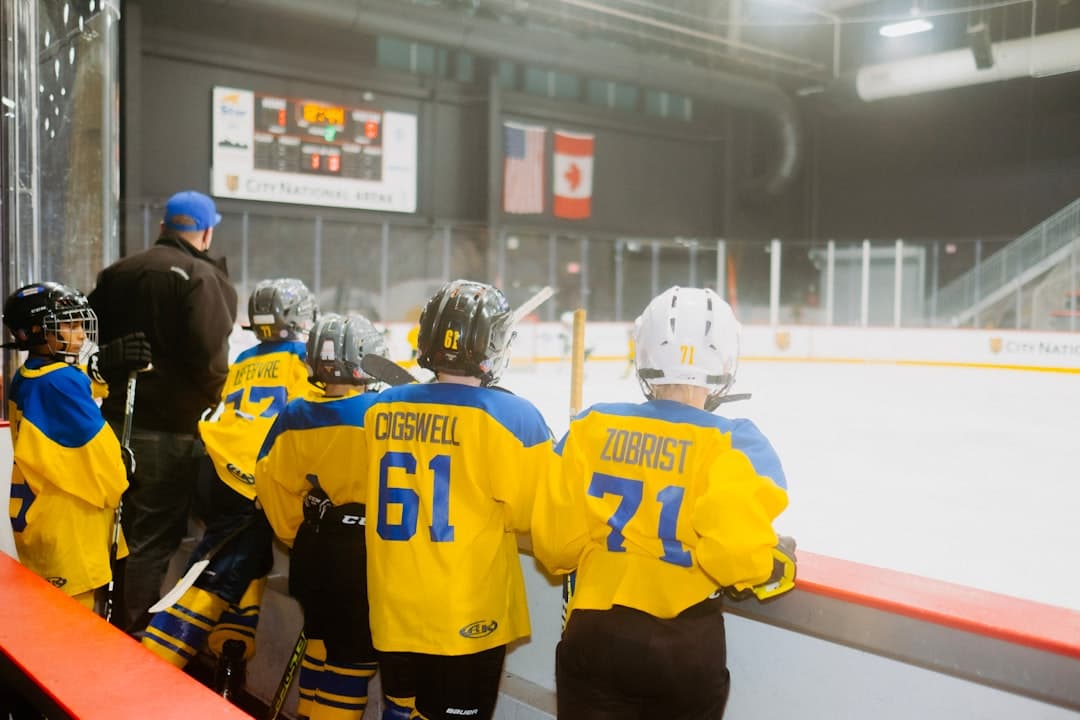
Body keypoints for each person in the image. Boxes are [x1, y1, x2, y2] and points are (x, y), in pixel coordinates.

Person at [531, 285, 795, 720]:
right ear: (726, 361)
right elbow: (735, 554)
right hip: (684, 645)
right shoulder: (736, 441)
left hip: (594, 634)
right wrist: (774, 565)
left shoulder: (591, 426)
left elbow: (554, 547)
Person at [362, 279, 555, 720]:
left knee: (400, 712)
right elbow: (531, 514)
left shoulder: (379, 410)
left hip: (393, 608)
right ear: (495, 343)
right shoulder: (514, 417)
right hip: (464, 618)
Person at [141, 278, 316, 676]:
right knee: (216, 575)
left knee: (250, 559)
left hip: (212, 467)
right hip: (247, 480)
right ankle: (150, 664)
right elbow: (313, 418)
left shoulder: (245, 359)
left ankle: (231, 646)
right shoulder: (303, 359)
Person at [88, 189, 238, 633]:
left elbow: (93, 342)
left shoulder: (117, 272)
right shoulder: (201, 278)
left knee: (113, 536)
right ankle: (130, 641)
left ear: (163, 228)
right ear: (206, 233)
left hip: (112, 425)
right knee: (150, 542)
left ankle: (96, 631)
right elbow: (211, 362)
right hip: (170, 434)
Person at [255, 313, 389, 720]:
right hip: (359, 555)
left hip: (313, 550)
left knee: (320, 646)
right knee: (351, 663)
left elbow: (269, 479)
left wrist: (297, 536)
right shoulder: (380, 412)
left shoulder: (295, 413)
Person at [3, 282, 150, 611]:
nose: (81, 334)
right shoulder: (59, 383)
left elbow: (69, 383)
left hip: (45, 526)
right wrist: (125, 475)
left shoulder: (30, 375)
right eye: (69, 325)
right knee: (75, 641)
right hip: (72, 534)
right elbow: (107, 468)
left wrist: (101, 368)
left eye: (81, 324)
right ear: (37, 332)